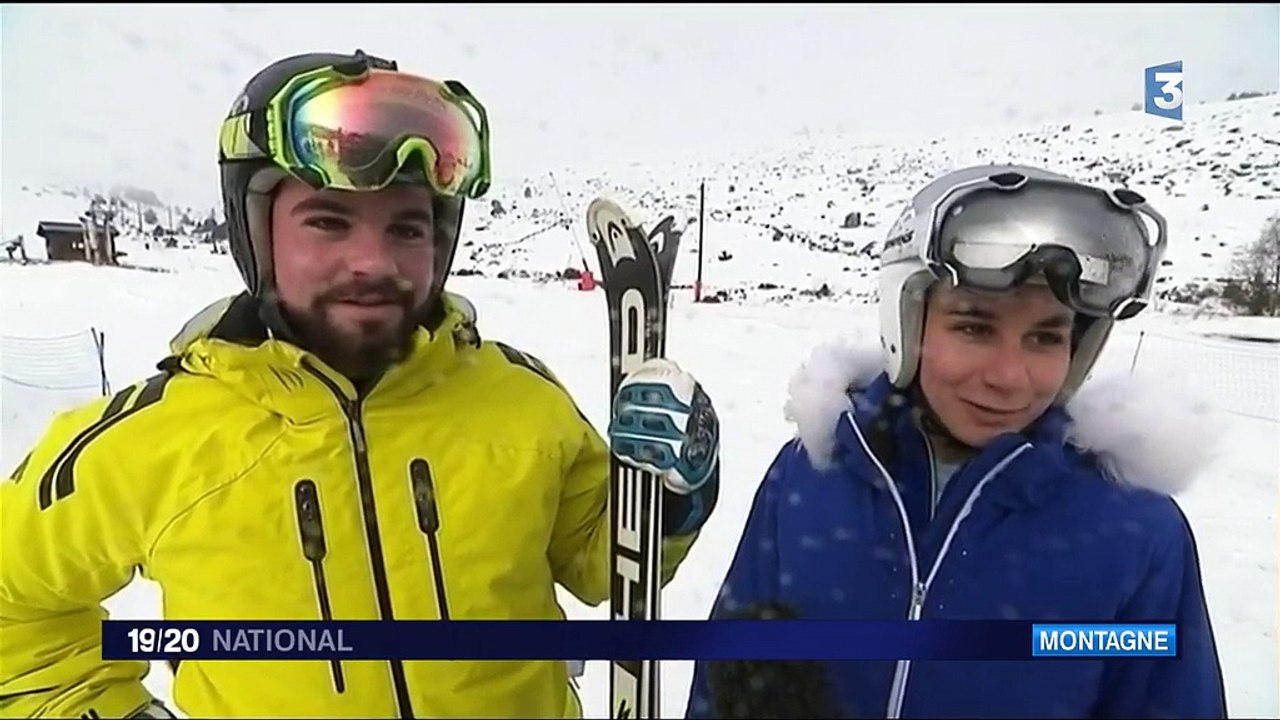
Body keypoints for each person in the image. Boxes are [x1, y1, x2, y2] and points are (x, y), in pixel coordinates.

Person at [0, 49, 721, 719]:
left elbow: (606, 564)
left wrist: (671, 495)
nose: (374, 262)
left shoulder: (522, 400)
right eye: (328, 221)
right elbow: (15, 602)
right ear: (255, 232)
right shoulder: (152, 439)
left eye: (408, 229)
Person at [686, 164, 1227, 719]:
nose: (1009, 377)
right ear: (910, 325)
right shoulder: (810, 474)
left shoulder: (1135, 534)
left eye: (1045, 337)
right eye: (974, 327)